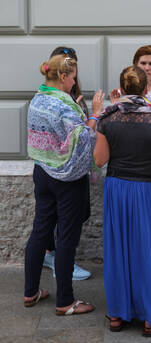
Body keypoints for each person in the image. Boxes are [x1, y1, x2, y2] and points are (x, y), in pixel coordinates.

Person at [95, 66, 151, 336]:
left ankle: (118, 315)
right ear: (146, 89)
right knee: (148, 252)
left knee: (119, 251)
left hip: (118, 189)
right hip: (148, 190)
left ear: (121, 89)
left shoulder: (108, 120)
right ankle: (150, 318)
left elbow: (99, 160)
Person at [24, 53, 104, 315]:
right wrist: (95, 114)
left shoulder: (38, 99)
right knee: (66, 238)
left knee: (40, 232)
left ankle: (30, 292)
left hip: (42, 172)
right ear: (62, 76)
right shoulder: (64, 105)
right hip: (66, 179)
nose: (74, 81)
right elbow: (82, 140)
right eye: (72, 77)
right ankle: (65, 301)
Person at [43, 46, 91, 281]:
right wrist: (87, 118)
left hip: (74, 167)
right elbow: (74, 134)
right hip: (62, 169)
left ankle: (56, 259)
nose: (73, 75)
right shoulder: (51, 96)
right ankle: (61, 265)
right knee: (62, 219)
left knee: (77, 214)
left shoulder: (69, 91)